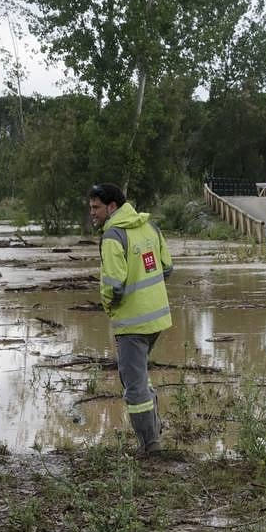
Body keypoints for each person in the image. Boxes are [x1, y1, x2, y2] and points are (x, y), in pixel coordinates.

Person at [88, 182, 173, 455]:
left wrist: (110, 309)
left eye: (96, 208)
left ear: (112, 206)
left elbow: (113, 286)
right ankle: (154, 431)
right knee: (139, 376)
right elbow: (167, 268)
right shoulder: (149, 227)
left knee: (134, 388)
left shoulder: (113, 236)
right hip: (157, 320)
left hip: (133, 324)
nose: (92, 213)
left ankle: (151, 446)